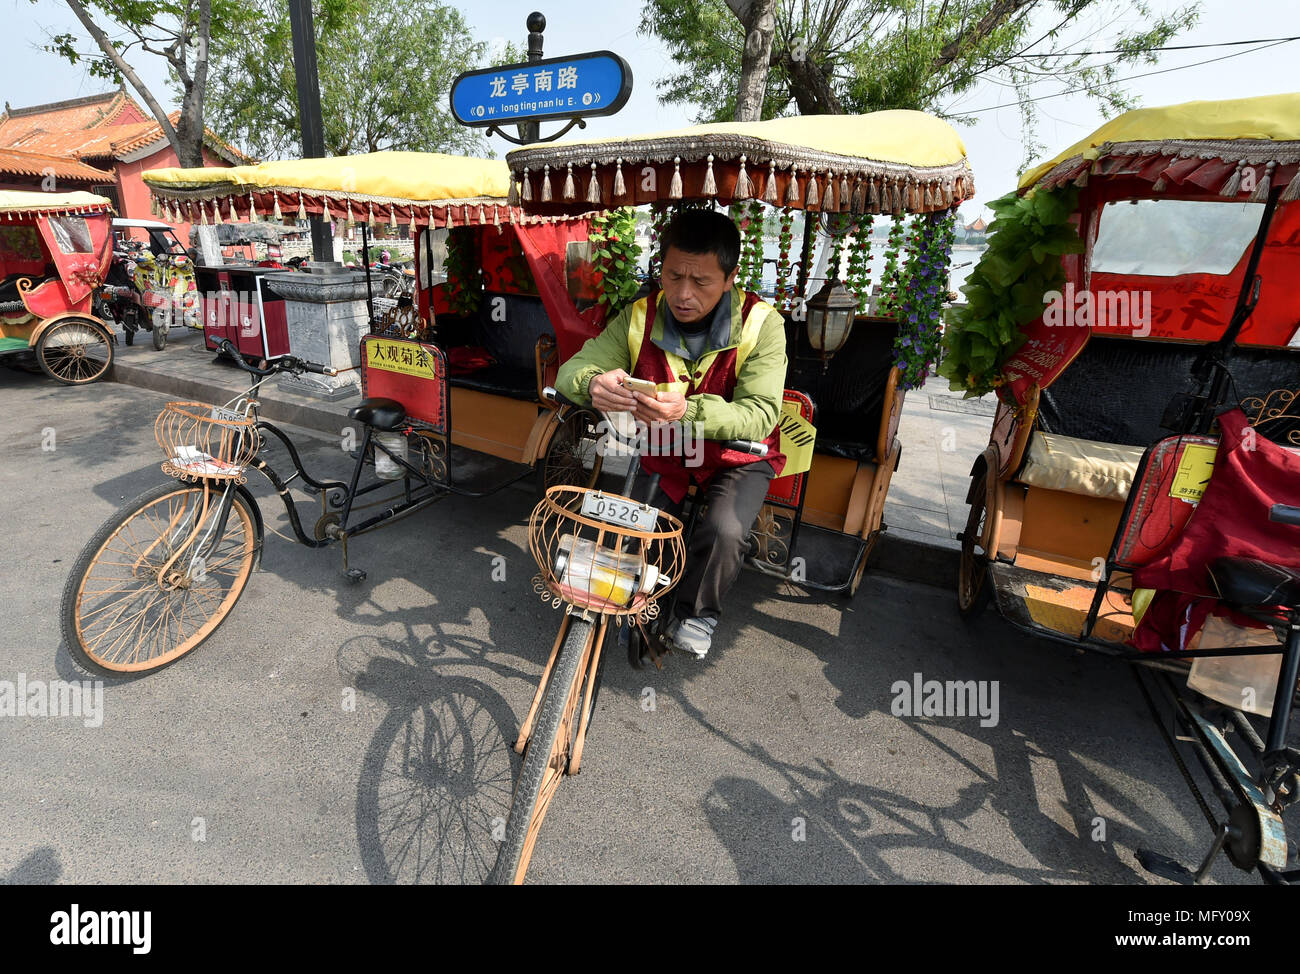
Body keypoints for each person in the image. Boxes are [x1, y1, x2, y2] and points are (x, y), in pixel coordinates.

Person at [556, 209, 788, 659]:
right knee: (635, 524)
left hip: (737, 454)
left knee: (724, 528)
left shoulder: (763, 324)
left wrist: (688, 410)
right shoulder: (639, 316)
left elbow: (760, 412)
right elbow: (573, 369)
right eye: (672, 275)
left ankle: (698, 613)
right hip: (666, 446)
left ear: (730, 278)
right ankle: (642, 594)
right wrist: (592, 384)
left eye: (700, 282)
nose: (683, 294)